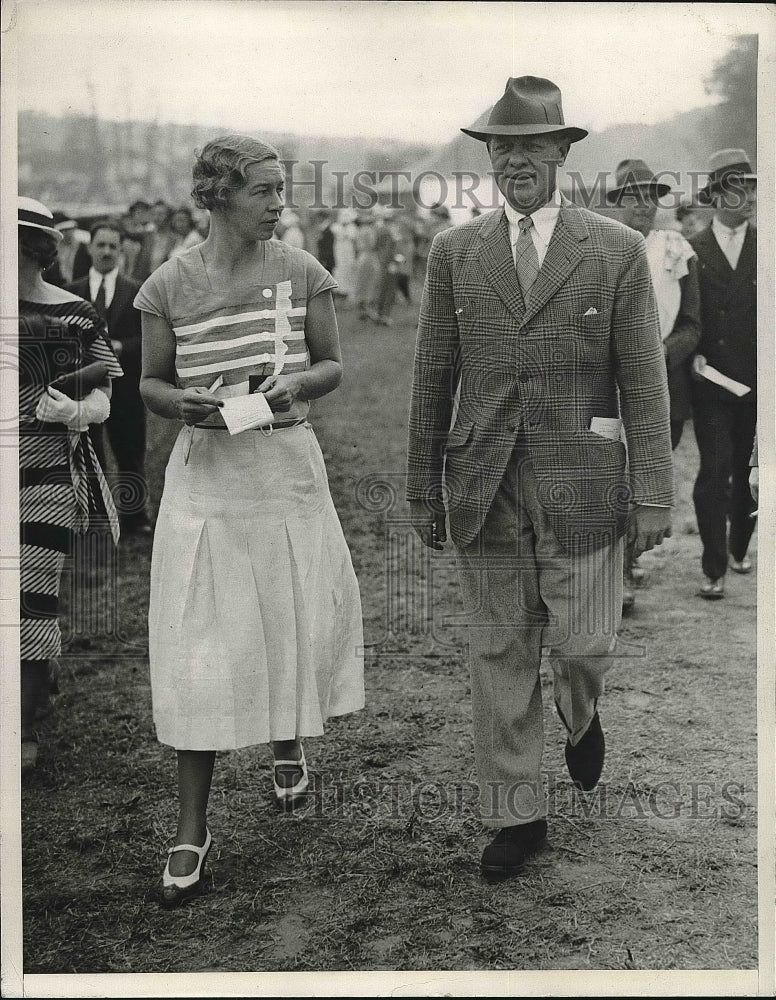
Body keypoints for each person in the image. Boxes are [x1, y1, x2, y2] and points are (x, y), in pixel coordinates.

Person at [407, 77, 673, 880]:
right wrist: (423, 486)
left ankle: (580, 710)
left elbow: (644, 379)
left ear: (561, 151)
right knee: (500, 648)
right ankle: (517, 815)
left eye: (530, 145)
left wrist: (652, 492)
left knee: (584, 642)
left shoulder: (615, 250)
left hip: (584, 483)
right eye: (501, 146)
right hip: (482, 481)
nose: (515, 160)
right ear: (488, 156)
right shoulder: (456, 252)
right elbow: (431, 376)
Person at [135, 134, 364, 907]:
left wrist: (295, 385)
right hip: (206, 482)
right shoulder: (166, 284)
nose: (278, 204)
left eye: (280, 189)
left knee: (285, 613)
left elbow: (332, 365)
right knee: (199, 643)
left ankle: (288, 740)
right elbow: (150, 382)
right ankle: (191, 828)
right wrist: (183, 402)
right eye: (264, 190)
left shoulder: (301, 271)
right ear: (218, 195)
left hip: (282, 473)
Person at [18, 197, 122, 774]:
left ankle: (24, 723)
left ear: (32, 248)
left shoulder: (77, 313)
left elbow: (106, 390)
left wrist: (76, 412)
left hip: (48, 474)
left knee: (32, 597)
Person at [606, 159, 701, 610]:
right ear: (618, 202)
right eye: (632, 196)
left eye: (649, 195)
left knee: (647, 476)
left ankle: (630, 558)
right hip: (608, 386)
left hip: (664, 383)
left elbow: (692, 324)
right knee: (614, 476)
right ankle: (618, 572)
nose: (642, 205)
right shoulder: (601, 247)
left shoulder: (675, 249)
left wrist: (658, 355)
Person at [688, 148, 757, 600]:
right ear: (715, 196)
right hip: (710, 381)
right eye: (738, 189)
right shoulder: (692, 250)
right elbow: (683, 316)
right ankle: (714, 567)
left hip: (759, 384)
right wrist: (692, 355)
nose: (748, 197)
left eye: (751, 188)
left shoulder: (767, 246)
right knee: (714, 472)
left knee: (749, 472)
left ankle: (738, 547)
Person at [67, 220, 150, 536]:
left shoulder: (136, 291)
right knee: (87, 450)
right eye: (100, 245)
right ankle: (95, 516)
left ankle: (135, 516)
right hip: (84, 386)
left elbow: (148, 338)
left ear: (121, 251)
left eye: (113, 246)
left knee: (129, 449)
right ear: (89, 248)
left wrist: (121, 346)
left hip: (125, 386)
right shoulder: (72, 293)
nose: (106, 252)